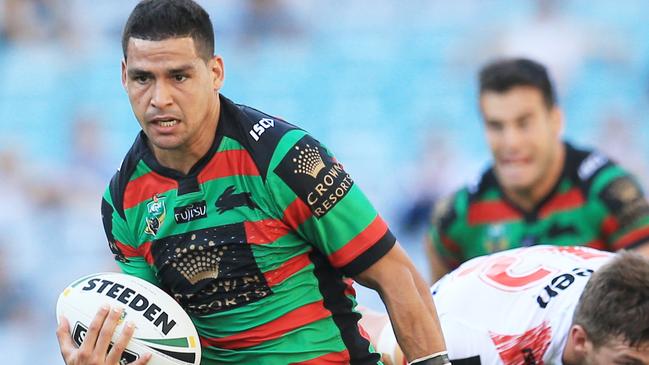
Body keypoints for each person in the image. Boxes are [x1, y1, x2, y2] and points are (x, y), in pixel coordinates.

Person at [55, 1, 449, 364]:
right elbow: (159, 339)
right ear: (124, 77)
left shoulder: (285, 158)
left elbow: (397, 276)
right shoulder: (122, 200)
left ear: (215, 73)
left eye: (179, 76)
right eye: (143, 78)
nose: (160, 98)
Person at [426, 57, 649, 282]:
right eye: (496, 126)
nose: (511, 142)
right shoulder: (457, 217)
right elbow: (437, 309)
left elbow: (642, 299)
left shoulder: (610, 195)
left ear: (555, 120)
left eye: (524, 123)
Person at [362, 245, 649, 365]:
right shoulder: (475, 342)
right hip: (471, 305)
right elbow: (372, 335)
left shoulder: (625, 309)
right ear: (581, 340)